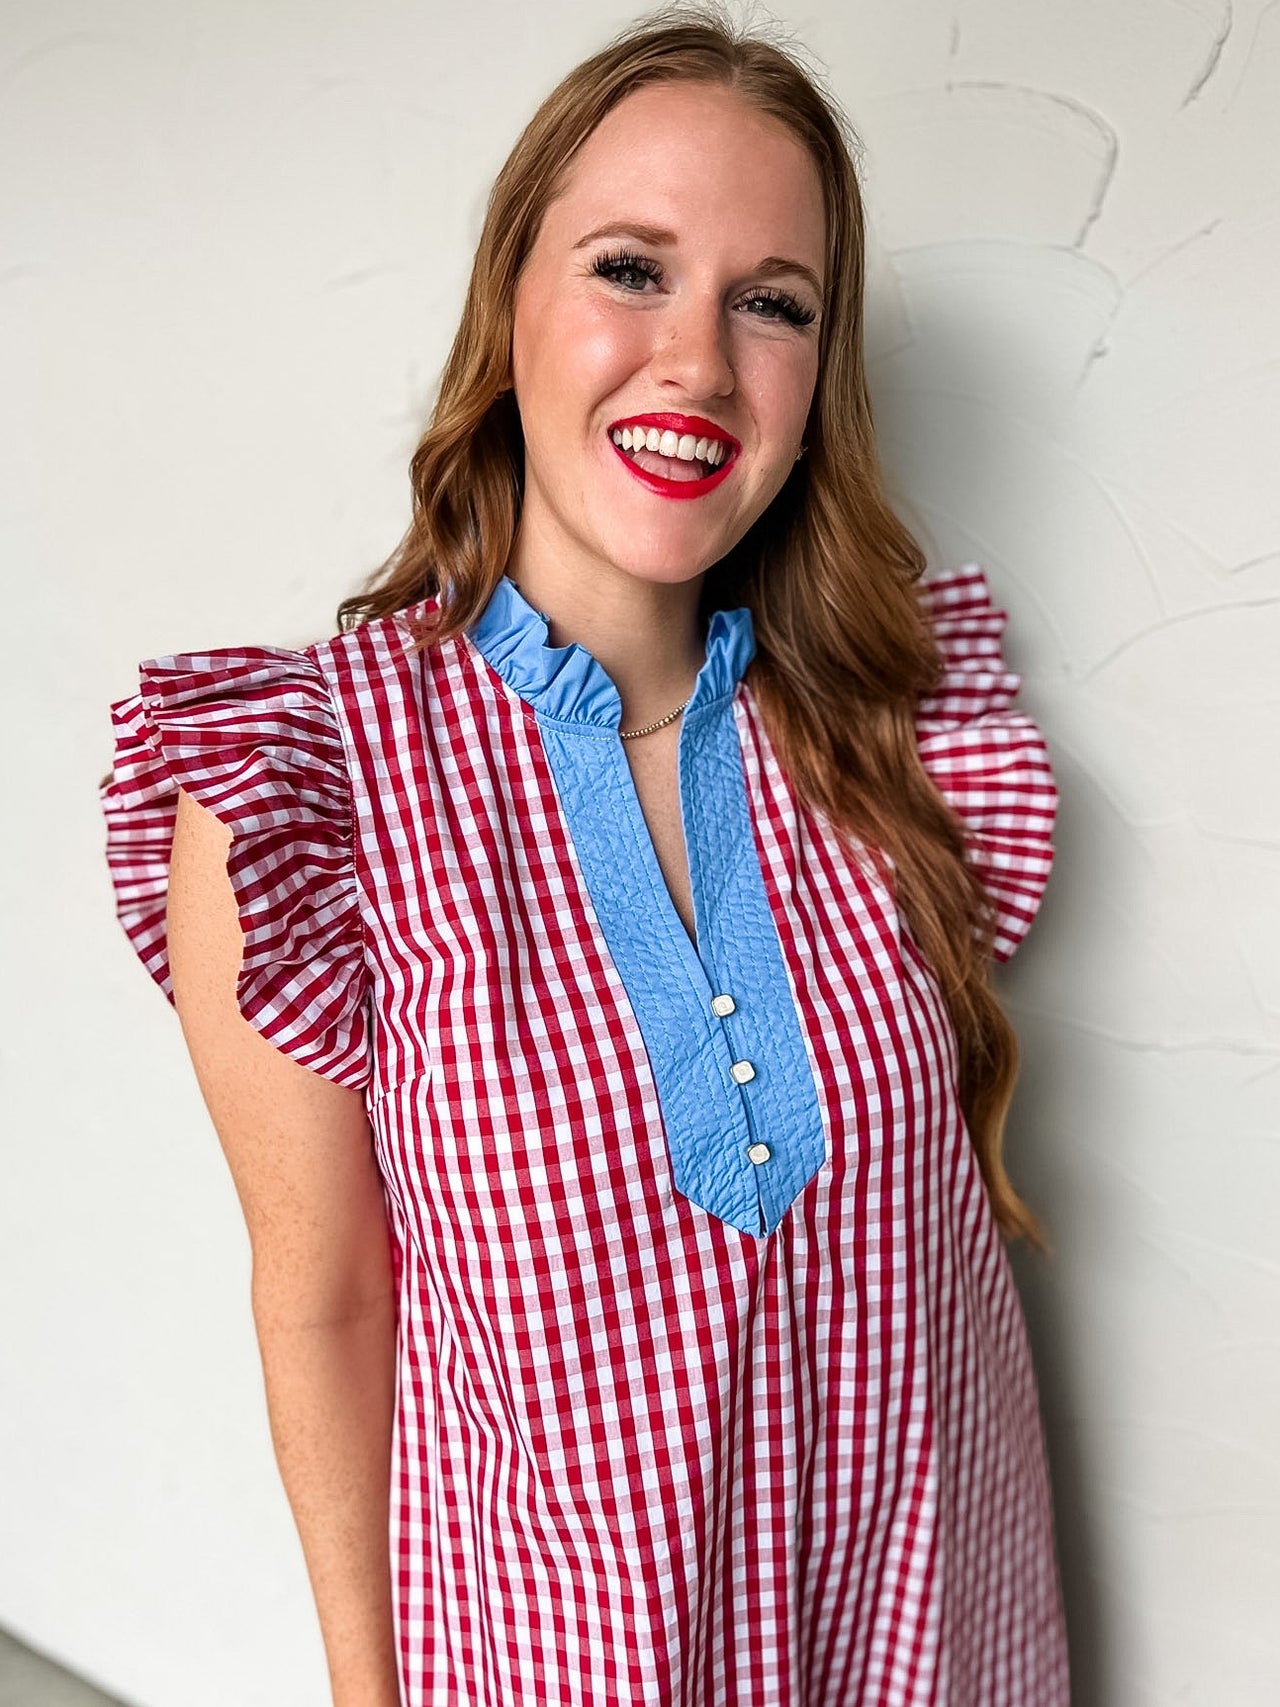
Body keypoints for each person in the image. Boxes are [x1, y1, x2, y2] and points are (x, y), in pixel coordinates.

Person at [99, 7, 1070, 1704]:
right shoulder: (306, 789)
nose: (699, 363)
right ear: (511, 309)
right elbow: (325, 1307)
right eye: (632, 268)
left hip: (936, 1650)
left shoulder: (889, 737)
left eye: (774, 304)